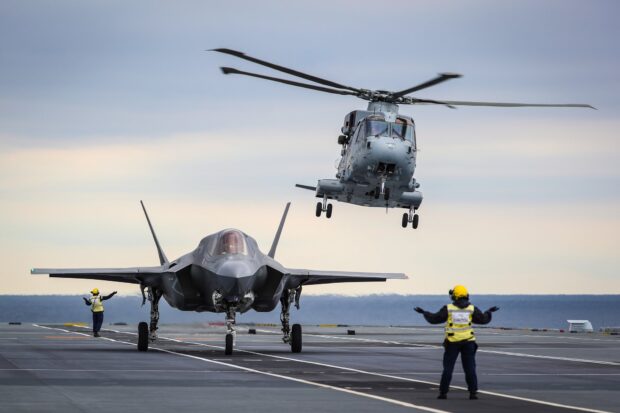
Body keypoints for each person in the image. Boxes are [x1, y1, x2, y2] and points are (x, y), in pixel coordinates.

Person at [414, 285, 499, 400]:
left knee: (448, 369)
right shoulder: (471, 308)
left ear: (454, 296)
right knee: (470, 368)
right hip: (468, 342)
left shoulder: (448, 308)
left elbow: (435, 319)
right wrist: (489, 312)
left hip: (452, 342)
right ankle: (473, 393)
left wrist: (424, 313)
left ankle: (443, 393)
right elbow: (483, 320)